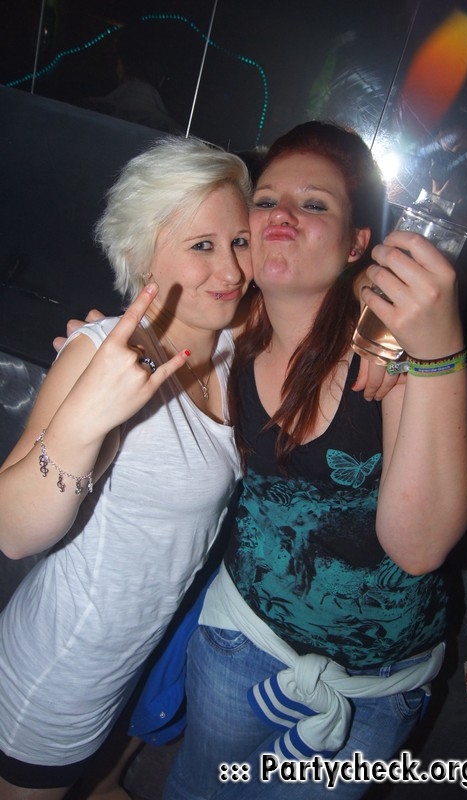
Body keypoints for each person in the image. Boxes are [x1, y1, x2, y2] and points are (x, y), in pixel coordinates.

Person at [163, 120, 467, 799]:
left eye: (314, 203)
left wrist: (438, 352)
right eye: (266, 199)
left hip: (373, 691)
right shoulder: (230, 329)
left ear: (357, 243)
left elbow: (418, 548)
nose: (282, 214)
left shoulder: (389, 357)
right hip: (239, 642)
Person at [0, 135, 254, 799]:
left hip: (122, 665)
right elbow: (13, 531)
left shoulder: (232, 343)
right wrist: (85, 423)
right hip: (54, 679)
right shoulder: (101, 354)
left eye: (240, 241)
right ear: (143, 258)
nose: (231, 268)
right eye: (202, 245)